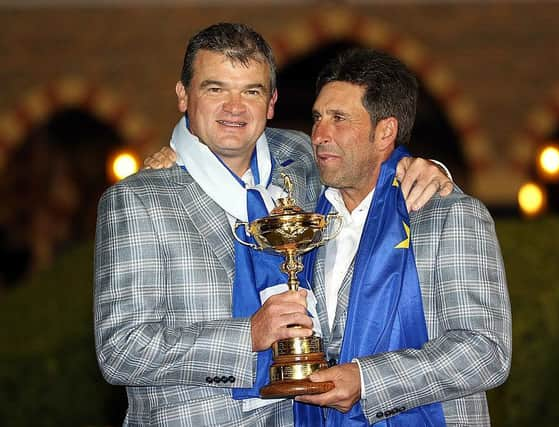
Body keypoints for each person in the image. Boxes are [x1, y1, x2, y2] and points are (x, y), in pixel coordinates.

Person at [94, 23, 452, 426]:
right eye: (215, 89)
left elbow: (364, 164)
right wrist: (247, 334)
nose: (234, 107)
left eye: (251, 91)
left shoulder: (301, 157)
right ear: (183, 96)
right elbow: (120, 350)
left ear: (271, 102)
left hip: (308, 415)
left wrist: (418, 166)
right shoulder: (137, 200)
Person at [289, 49, 512, 425]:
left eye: (339, 118)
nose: (319, 134)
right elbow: (243, 137)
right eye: (317, 117)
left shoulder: (450, 216)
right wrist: (174, 152)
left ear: (385, 132)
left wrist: (367, 379)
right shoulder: (305, 213)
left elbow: (485, 351)